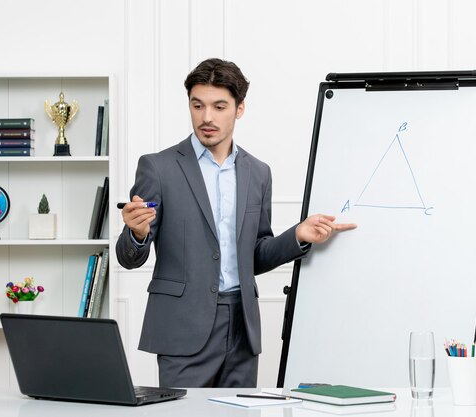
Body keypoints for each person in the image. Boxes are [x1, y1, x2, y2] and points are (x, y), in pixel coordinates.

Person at [116, 58, 356, 388]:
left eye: (219, 106)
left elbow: (255, 256)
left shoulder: (258, 173)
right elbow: (129, 258)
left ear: (239, 108)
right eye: (197, 105)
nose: (206, 117)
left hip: (242, 328)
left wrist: (298, 235)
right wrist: (137, 233)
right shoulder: (158, 168)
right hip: (183, 329)